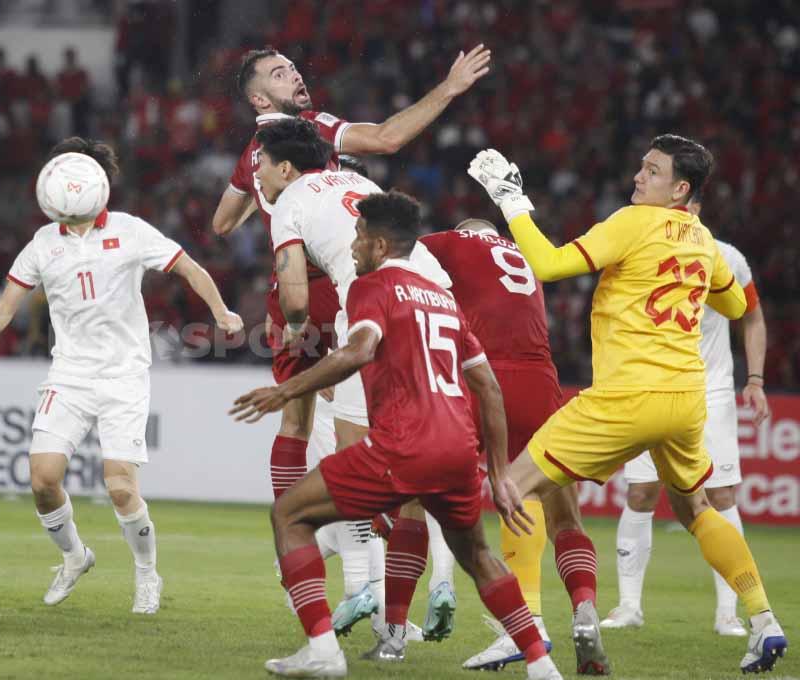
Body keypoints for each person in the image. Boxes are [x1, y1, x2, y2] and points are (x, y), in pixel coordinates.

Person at [466, 135, 787, 674]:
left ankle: (523, 632)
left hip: (626, 396)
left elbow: (546, 264)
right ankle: (763, 621)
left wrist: (510, 199)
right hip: (685, 402)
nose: (639, 177)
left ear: (680, 188)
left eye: (653, 171)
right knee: (696, 509)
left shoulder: (630, 222)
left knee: (512, 490)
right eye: (641, 167)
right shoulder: (705, 241)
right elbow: (736, 304)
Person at [215, 43, 489, 639]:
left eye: (295, 66)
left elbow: (220, 221)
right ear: (261, 98)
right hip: (353, 288)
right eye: (282, 73)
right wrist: (447, 89)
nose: (298, 75)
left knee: (316, 438)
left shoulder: (254, 156)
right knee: (394, 441)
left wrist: (263, 210)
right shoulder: (312, 133)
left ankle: (331, 576)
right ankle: (424, 578)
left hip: (306, 293)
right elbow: (389, 138)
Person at [231, 191, 562, 680]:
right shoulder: (444, 298)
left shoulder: (372, 286)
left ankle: (322, 650)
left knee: (289, 514)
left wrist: (287, 392)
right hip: (457, 450)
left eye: (360, 237)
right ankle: (542, 664)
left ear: (381, 245)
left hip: (404, 444)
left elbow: (360, 349)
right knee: (480, 556)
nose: (354, 246)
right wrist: (496, 473)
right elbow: (488, 388)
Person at [0, 138, 242, 615]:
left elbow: (188, 267)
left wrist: (221, 310)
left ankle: (147, 575)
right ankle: (74, 557)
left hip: (124, 375)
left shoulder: (129, 231)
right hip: (68, 374)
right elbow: (7, 306)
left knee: (120, 486)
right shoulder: (43, 243)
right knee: (43, 479)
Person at [258, 120, 455, 656]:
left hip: (375, 303)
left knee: (355, 473)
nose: (256, 172)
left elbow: (295, 297)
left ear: (284, 167)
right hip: (439, 301)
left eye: (260, 163)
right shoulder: (358, 183)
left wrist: (296, 332)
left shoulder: (288, 201)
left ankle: (341, 622)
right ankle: (394, 631)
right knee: (413, 480)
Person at [601, 198, 771, 636]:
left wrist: (755, 380)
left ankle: (728, 614)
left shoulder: (725, 256)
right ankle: (628, 607)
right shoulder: (641, 245)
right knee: (640, 491)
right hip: (650, 385)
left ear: (694, 203)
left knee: (721, 496)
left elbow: (752, 317)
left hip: (709, 391)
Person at [417, 218, 566, 669]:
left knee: (430, 480)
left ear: (466, 230)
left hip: (486, 373)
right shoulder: (523, 251)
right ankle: (538, 618)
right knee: (532, 490)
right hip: (541, 376)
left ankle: (437, 585)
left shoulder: (453, 242)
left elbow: (396, 247)